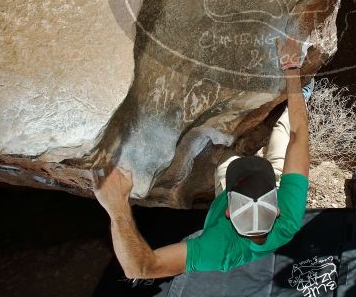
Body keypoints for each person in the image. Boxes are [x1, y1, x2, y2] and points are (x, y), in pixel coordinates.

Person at [93, 37, 310, 278]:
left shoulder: (219, 249)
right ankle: (301, 97)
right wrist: (292, 68)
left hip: (235, 194)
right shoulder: (288, 217)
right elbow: (298, 135)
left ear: (227, 211)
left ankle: (239, 149)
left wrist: (117, 207)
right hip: (273, 182)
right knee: (285, 130)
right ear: (277, 209)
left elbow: (141, 268)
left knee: (228, 158)